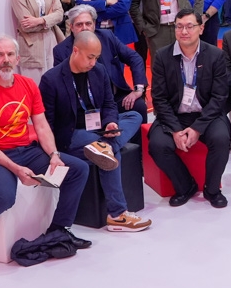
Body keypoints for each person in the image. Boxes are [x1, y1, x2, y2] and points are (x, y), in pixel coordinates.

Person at [0, 36, 90, 260]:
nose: (5, 59)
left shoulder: (29, 85)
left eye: (10, 54)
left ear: (18, 58)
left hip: (26, 150)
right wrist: (17, 169)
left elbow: (41, 125)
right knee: (4, 197)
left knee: (78, 169)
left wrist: (53, 155)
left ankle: (58, 230)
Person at [39, 32, 150, 232]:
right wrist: (53, 152)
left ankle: (104, 146)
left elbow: (109, 104)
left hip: (98, 129)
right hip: (71, 134)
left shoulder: (99, 71)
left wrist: (110, 123)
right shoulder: (51, 79)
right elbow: (47, 123)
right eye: (90, 57)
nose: (93, 62)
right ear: (75, 51)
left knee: (134, 116)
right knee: (111, 152)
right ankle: (117, 215)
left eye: (96, 57)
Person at [148, 9, 231, 208]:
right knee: (158, 145)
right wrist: (175, 130)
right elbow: (159, 98)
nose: (184, 31)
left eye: (189, 26)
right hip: (174, 116)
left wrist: (197, 128)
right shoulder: (162, 56)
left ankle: (212, 189)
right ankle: (186, 186)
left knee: (221, 139)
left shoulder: (215, 55)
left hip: (207, 115)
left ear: (201, 29)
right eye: (179, 26)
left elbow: (219, 97)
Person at [54, 5, 148, 116]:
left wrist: (138, 89)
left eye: (88, 23)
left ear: (94, 24)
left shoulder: (107, 37)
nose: (84, 28)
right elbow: (62, 86)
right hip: (85, 105)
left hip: (115, 98)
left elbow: (134, 58)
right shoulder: (61, 51)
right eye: (79, 24)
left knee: (139, 106)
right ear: (71, 27)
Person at [10, 0, 64, 82]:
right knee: (34, 86)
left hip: (51, 39)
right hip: (31, 45)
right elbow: (26, 25)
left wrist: (39, 20)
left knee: (54, 83)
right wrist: (49, 18)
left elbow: (59, 14)